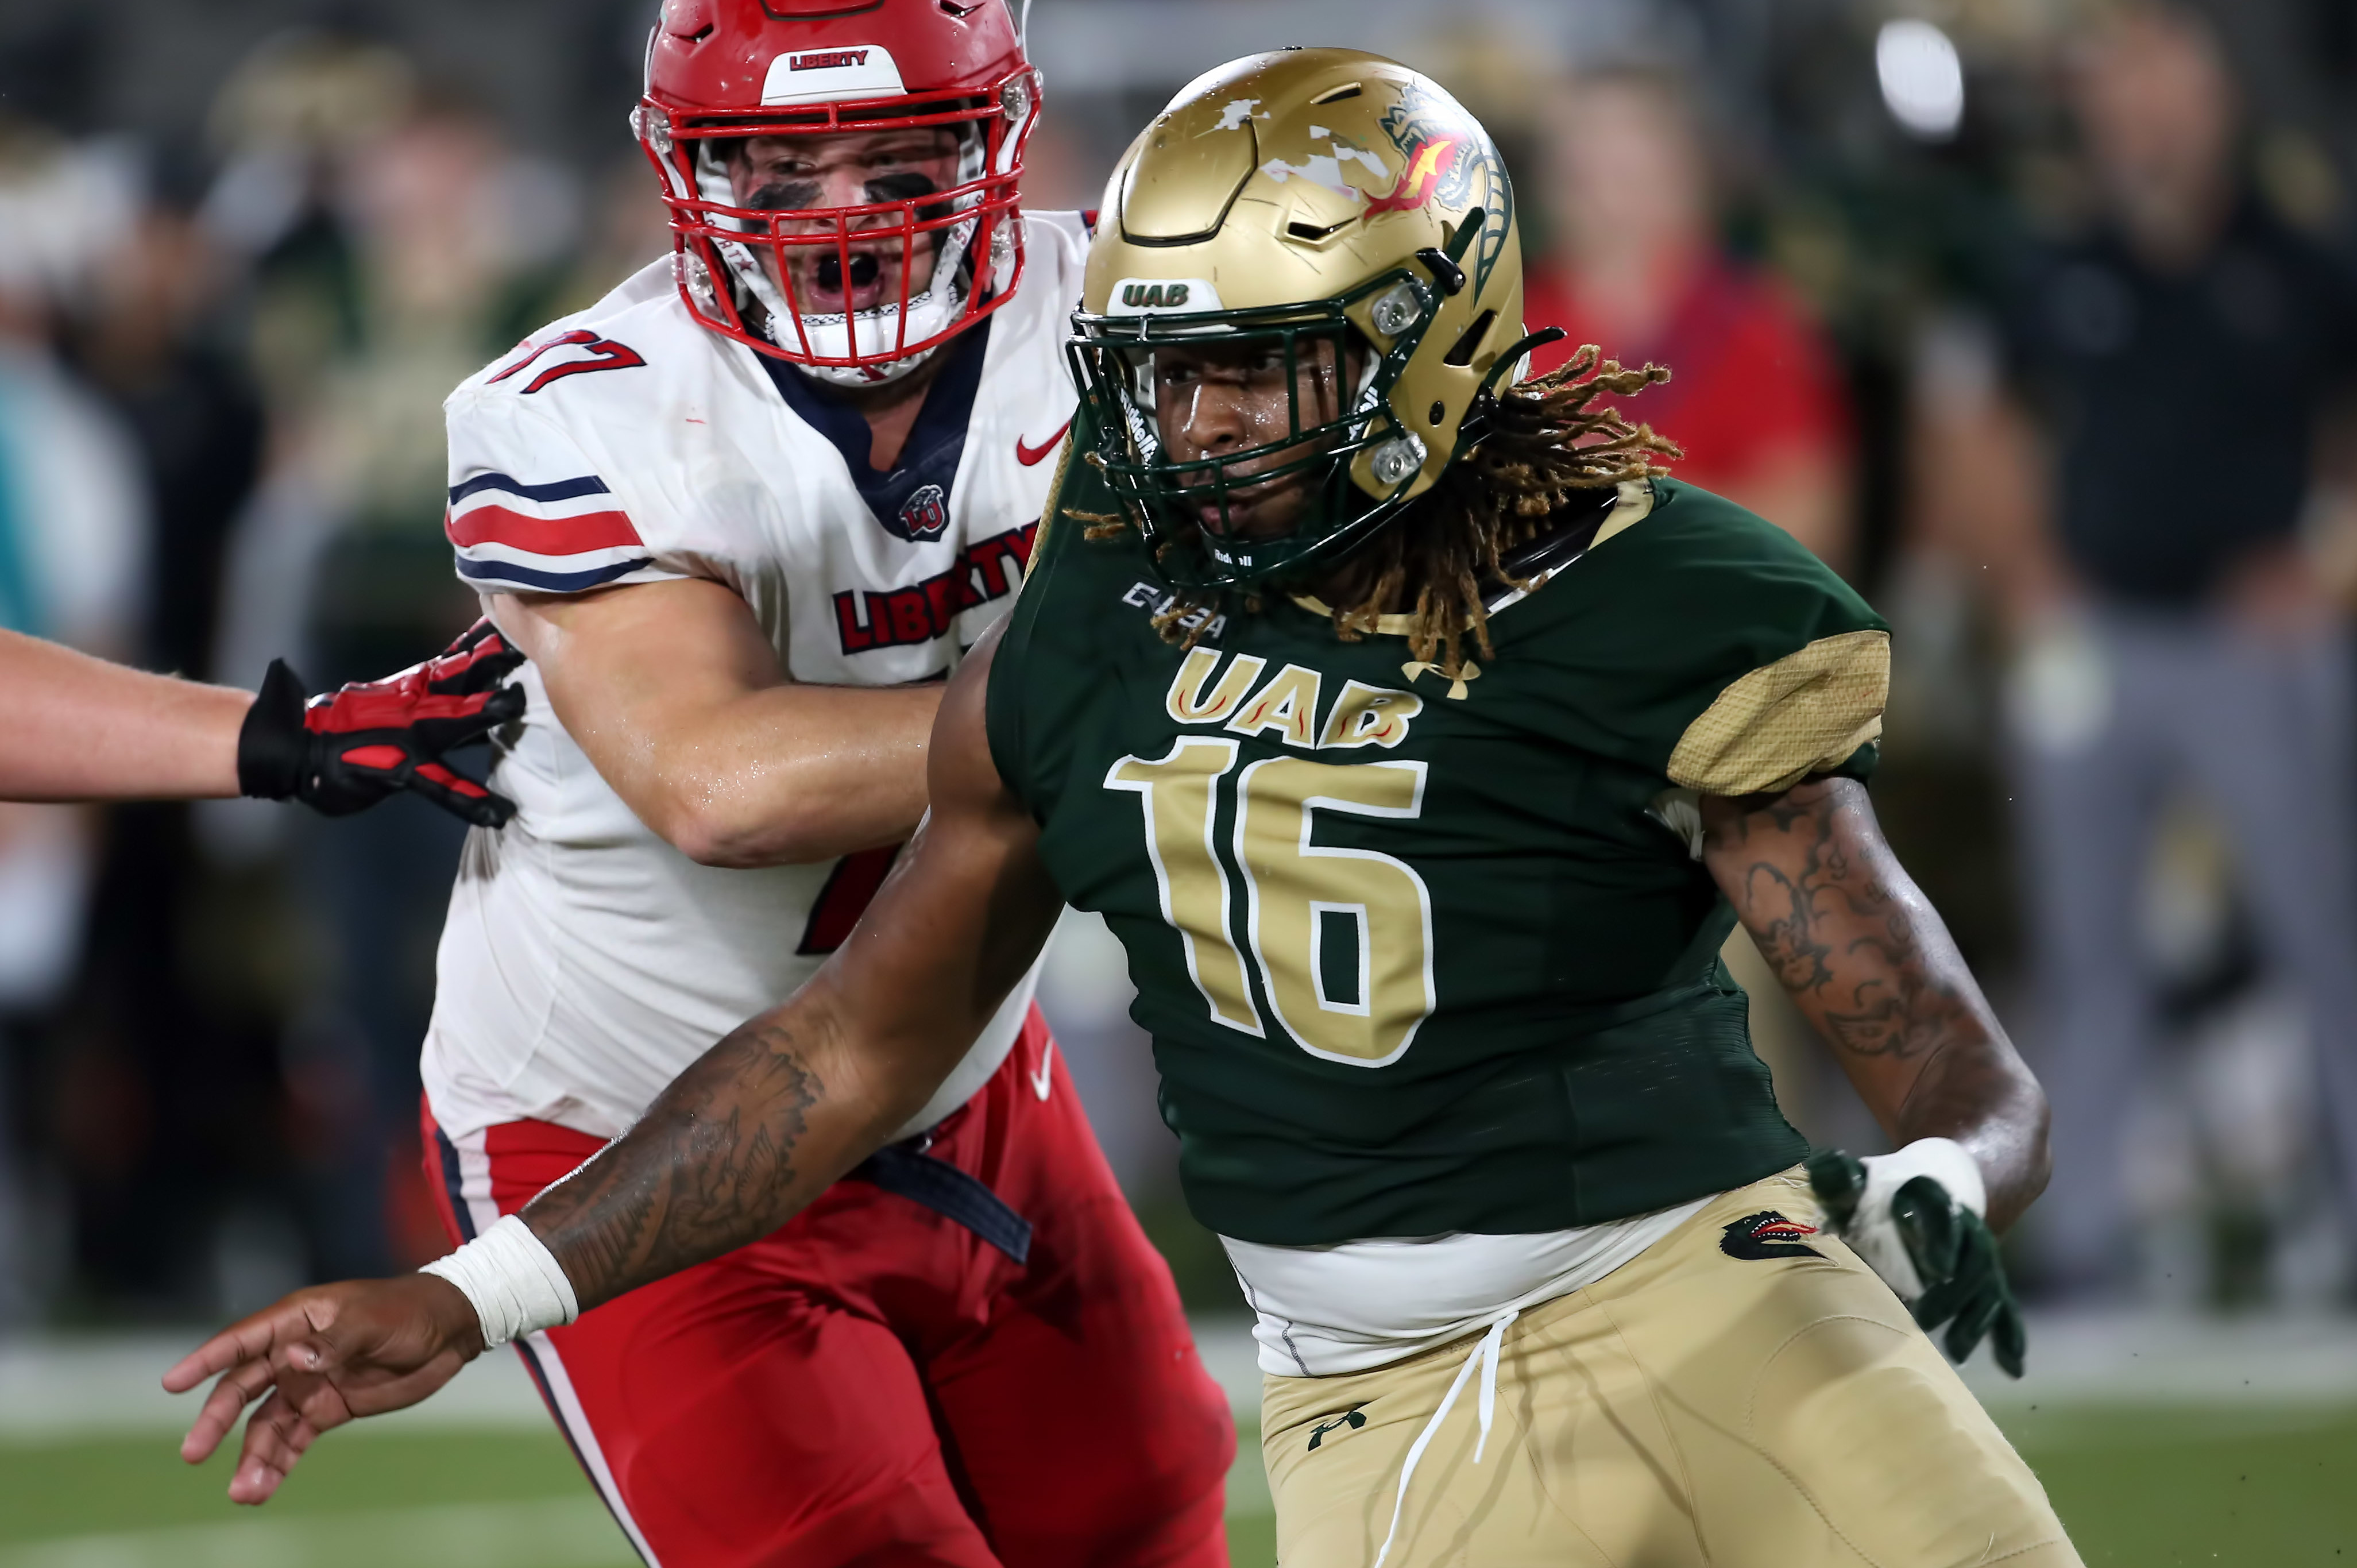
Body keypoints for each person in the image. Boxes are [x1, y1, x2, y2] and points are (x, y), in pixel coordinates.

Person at [171, 48, 2078, 1567]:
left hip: (1711, 1278)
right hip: (1368, 1387)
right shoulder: (1088, 632)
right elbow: (823, 1022)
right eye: (1156, 382)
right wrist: (476, 1292)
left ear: (1416, 340)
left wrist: (1942, 1169)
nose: (1187, 436)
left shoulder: (1629, 589)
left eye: (1252, 370)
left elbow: (1910, 1006)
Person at [211, 2, 1239, 1564]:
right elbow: (721, 784)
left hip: (959, 1068)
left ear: (999, 138)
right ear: (692, 173)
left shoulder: (1133, 306)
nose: (852, 216)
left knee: (1148, 1509)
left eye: (901, 157)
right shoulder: (579, 409)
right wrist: (1177, 712)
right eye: (786, 166)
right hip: (620, 1122)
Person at [1953, 3, 2357, 1299]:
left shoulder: (2296, 262)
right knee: (2085, 948)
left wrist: (2327, 564)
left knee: (2321, 929)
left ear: (2219, 106)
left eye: (2169, 92)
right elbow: (1992, 432)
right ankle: (2085, 1239)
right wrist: (2027, 576)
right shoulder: (2057, 266)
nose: (2146, 120)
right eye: (2123, 95)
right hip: (2099, 639)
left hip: (2253, 643)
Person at [1522, 67, 1854, 572]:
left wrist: (1631, 501)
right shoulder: (1506, 325)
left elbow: (1809, 520)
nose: (1609, 204)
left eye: (1631, 176)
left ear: (1687, 181)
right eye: (1583, 176)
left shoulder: (1751, 327)